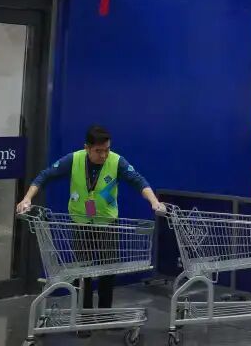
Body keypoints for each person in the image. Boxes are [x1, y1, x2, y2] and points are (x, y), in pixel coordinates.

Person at [16, 125, 165, 311]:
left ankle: (104, 312)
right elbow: (44, 176)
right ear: (87, 148)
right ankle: (84, 313)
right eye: (98, 151)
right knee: (82, 273)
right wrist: (27, 198)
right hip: (81, 224)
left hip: (107, 224)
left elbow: (138, 181)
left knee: (108, 272)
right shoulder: (74, 159)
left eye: (107, 150)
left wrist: (154, 201)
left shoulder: (117, 161)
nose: (103, 155)